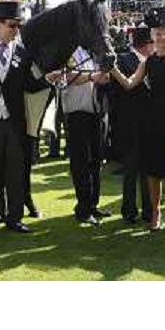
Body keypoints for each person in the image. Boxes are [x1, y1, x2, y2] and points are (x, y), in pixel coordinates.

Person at [110, 7, 165, 235]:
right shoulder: (147, 62)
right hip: (152, 124)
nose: (162, 37)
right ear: (152, 36)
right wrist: (112, 68)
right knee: (154, 171)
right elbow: (129, 84)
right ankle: (155, 215)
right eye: (157, 33)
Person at [0, 1, 49, 236]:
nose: (16, 30)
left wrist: (49, 78)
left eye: (18, 26)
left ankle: (14, 218)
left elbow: (30, 84)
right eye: (12, 25)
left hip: (15, 121)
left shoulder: (24, 54)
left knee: (16, 170)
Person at [60, 46, 111, 226]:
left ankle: (92, 204)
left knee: (96, 160)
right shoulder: (68, 52)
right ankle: (83, 208)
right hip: (76, 111)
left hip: (94, 110)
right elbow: (68, 76)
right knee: (81, 161)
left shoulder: (90, 53)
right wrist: (92, 76)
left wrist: (103, 77)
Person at [113, 23, 154, 225]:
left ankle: (149, 210)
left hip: (149, 123)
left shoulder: (154, 62)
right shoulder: (122, 60)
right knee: (130, 170)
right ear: (146, 44)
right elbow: (122, 89)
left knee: (148, 169)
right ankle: (129, 210)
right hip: (129, 123)